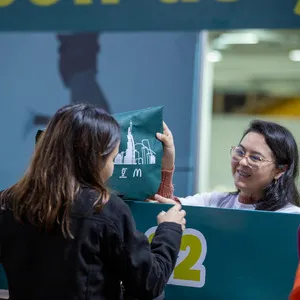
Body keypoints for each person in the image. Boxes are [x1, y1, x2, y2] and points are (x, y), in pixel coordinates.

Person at [0, 104, 186, 300]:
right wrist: (169, 230)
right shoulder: (105, 208)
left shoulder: (7, 202)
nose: (113, 169)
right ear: (96, 159)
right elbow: (149, 284)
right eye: (113, 159)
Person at [154, 120, 300, 213]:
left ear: (280, 170)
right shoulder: (214, 202)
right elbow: (161, 207)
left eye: (255, 158)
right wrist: (168, 158)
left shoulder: (290, 218)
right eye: (240, 152)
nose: (242, 162)